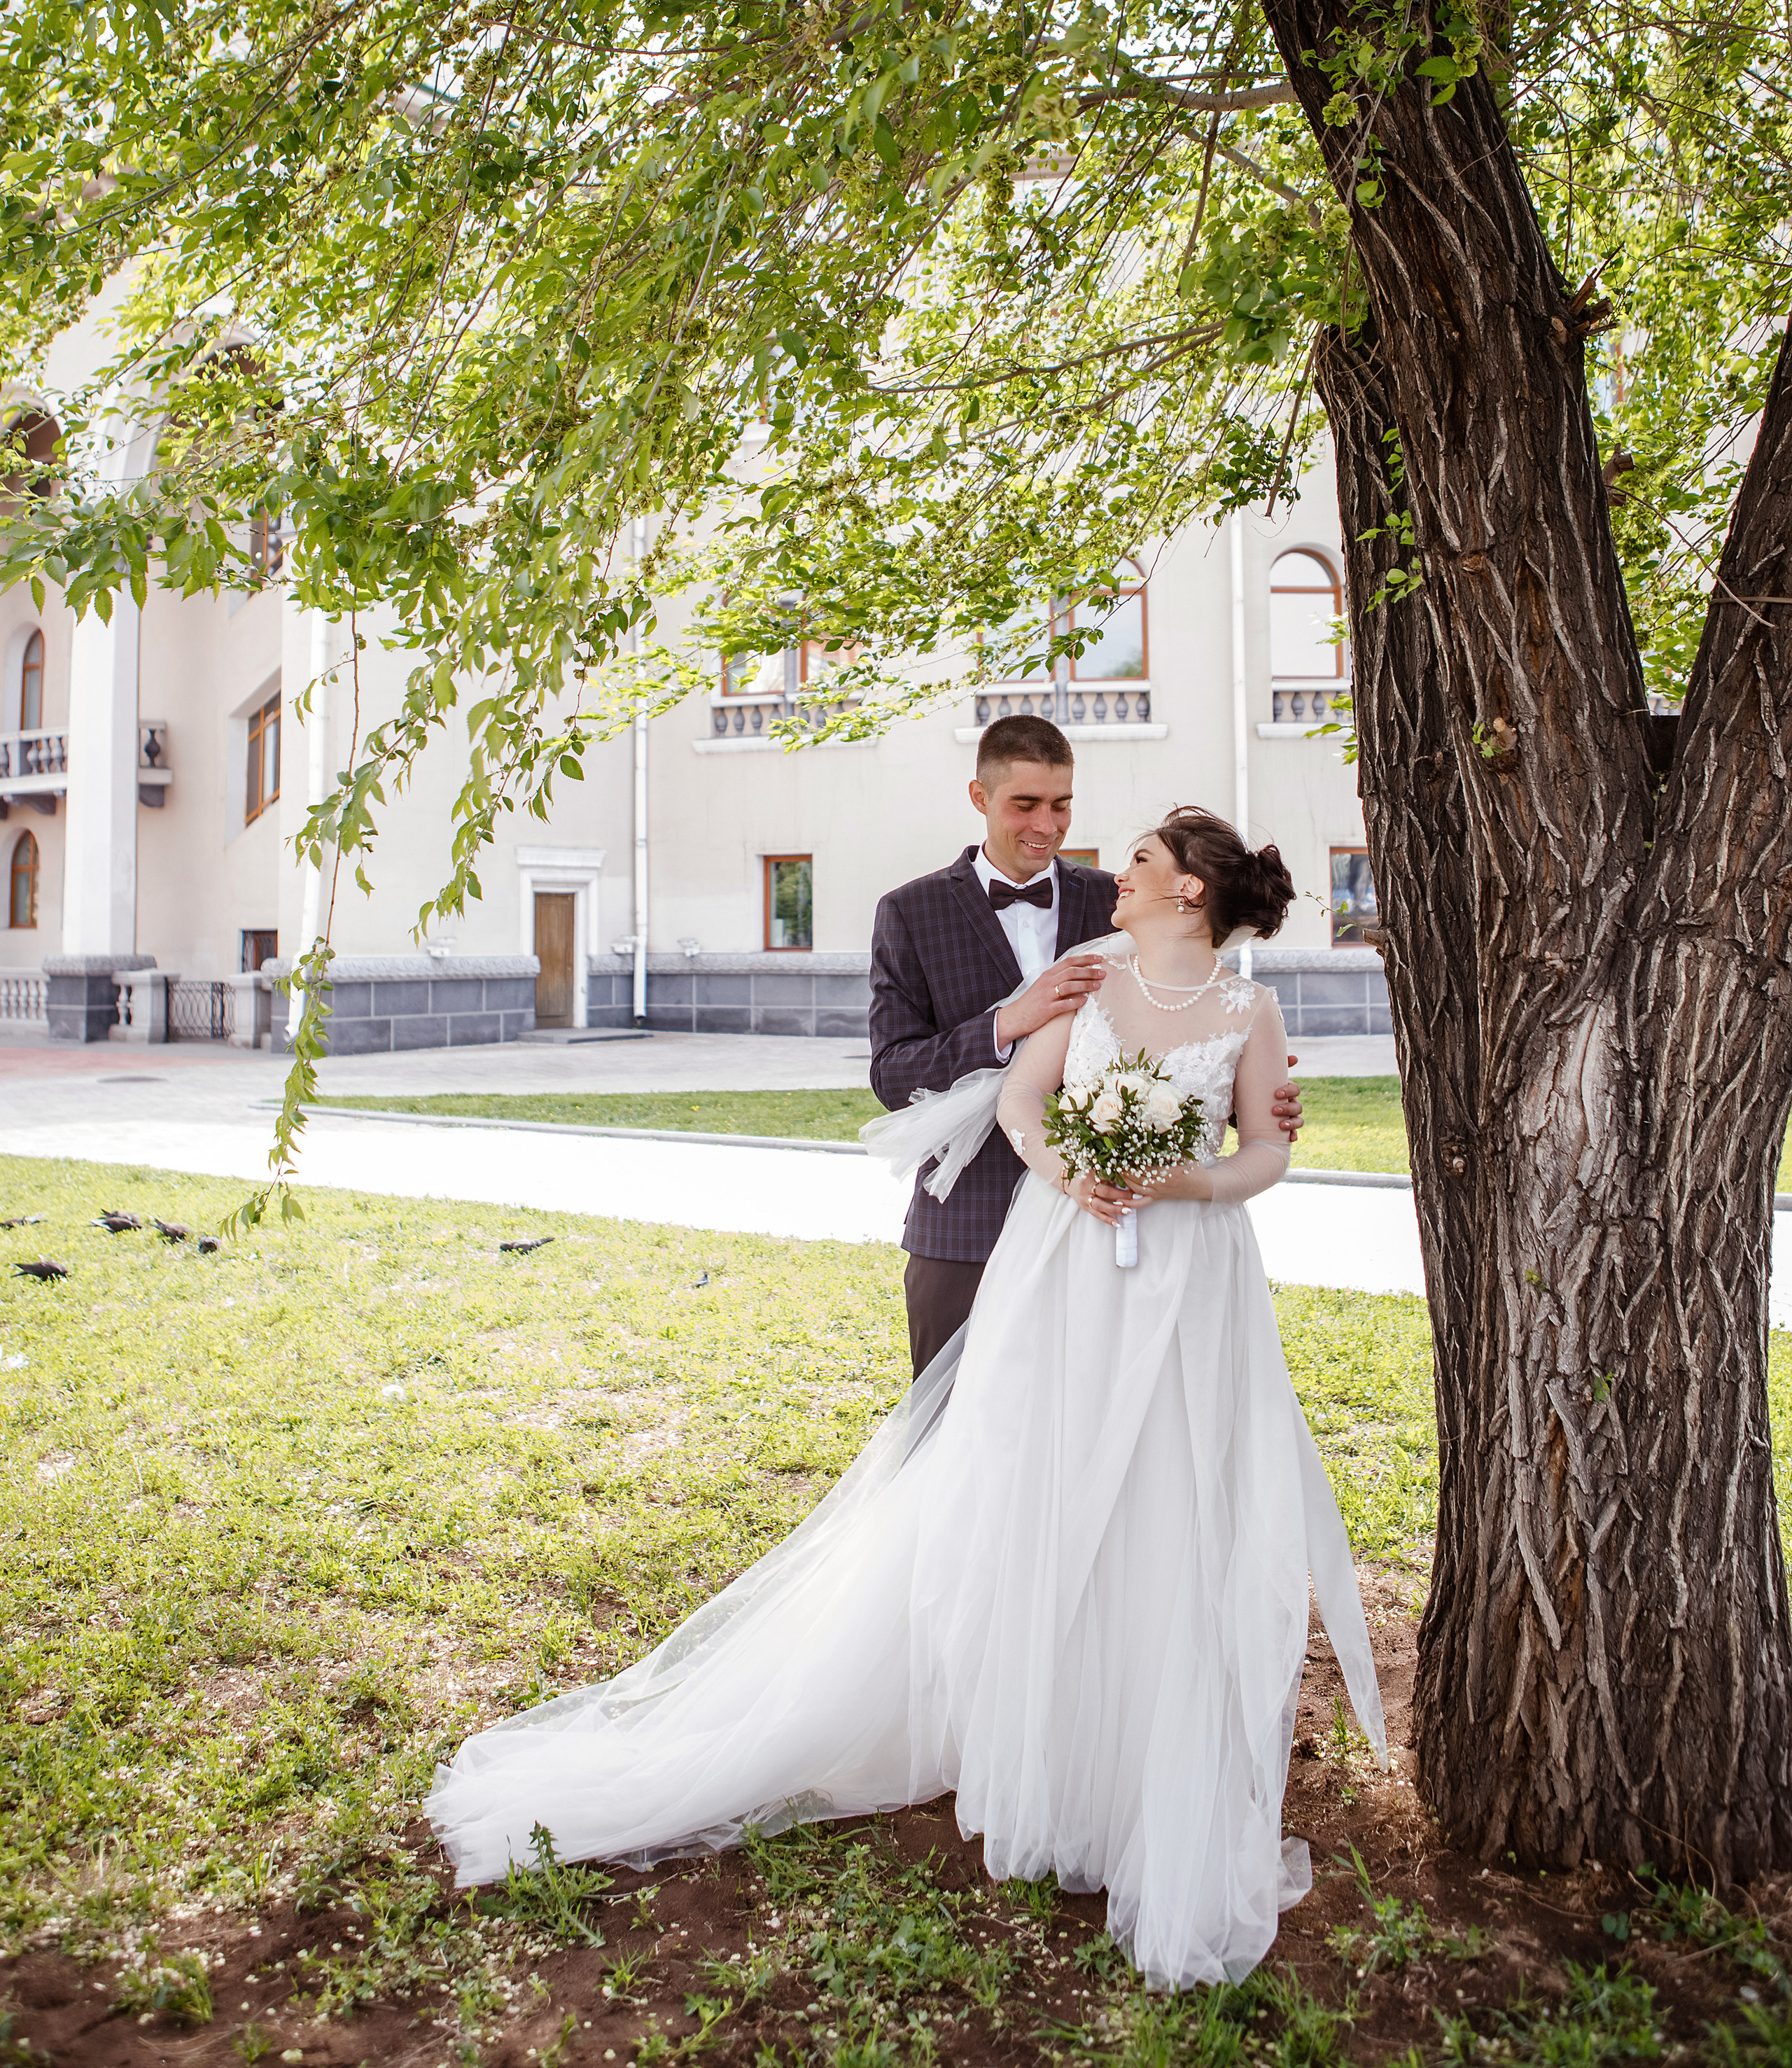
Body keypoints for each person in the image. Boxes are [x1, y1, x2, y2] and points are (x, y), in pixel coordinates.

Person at [427, 805, 1383, 1992]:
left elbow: (1265, 1154)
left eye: (1138, 859)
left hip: (1191, 1283)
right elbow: (1021, 1106)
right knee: (1037, 1481)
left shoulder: (1250, 1009)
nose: (1111, 870)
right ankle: (1036, 1748)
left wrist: (1185, 1179)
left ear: (1190, 891)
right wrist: (1069, 1168)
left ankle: (1142, 1770)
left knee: (1170, 1496)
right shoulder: (1089, 979)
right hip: (1064, 1263)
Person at [869, 712, 1303, 1374]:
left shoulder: (1120, 896)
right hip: (966, 1218)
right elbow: (893, 1074)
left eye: (1061, 805)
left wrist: (1242, 1093)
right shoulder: (910, 911)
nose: (1046, 826)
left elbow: (1180, 1018)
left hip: (1112, 1227)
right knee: (952, 1426)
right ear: (979, 798)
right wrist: (1007, 1022)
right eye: (1025, 805)